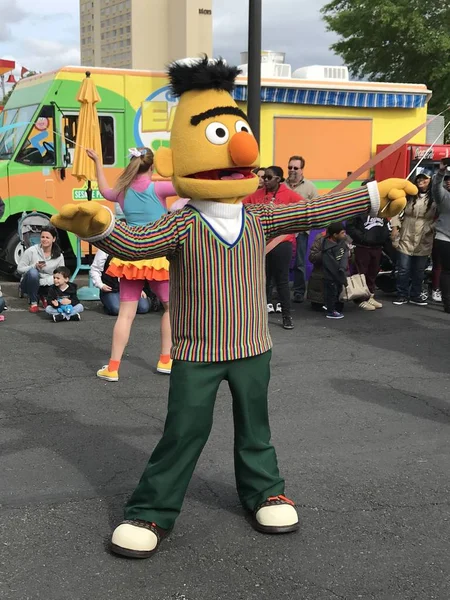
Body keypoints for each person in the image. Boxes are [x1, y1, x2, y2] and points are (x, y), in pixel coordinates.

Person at [52, 56, 414, 559]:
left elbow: (311, 209)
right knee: (183, 429)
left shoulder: (259, 217)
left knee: (256, 427)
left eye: (240, 133)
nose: (242, 148)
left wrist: (372, 195)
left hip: (252, 346)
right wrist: (103, 227)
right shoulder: (182, 224)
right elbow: (136, 243)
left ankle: (265, 490)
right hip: (197, 351)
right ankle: (152, 510)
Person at [86, 147, 175, 380]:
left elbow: (104, 190)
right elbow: (188, 187)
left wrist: (97, 161)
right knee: (170, 308)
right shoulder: (160, 187)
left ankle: (113, 367)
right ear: (152, 166)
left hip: (131, 255)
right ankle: (166, 360)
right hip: (158, 255)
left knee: (125, 314)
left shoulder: (122, 191)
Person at [245, 166, 303, 330]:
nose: (265, 180)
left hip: (282, 242)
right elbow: (240, 208)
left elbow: (305, 209)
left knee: (282, 280)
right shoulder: (256, 194)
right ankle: (261, 315)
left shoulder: (289, 194)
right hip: (261, 243)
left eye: (269, 177)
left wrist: (292, 227)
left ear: (278, 179)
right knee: (263, 280)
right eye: (263, 177)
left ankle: (286, 316)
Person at [391, 170, 436, 306]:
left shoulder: (435, 198)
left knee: (419, 270)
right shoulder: (409, 196)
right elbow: (397, 211)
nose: (421, 181)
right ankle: (401, 294)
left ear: (430, 180)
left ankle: (415, 295)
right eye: (418, 179)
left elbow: (441, 217)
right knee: (403, 268)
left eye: (424, 179)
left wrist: (430, 228)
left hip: (424, 237)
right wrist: (394, 227)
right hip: (406, 234)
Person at [285, 155, 319, 303]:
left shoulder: (310, 187)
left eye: (295, 168)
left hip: (300, 231)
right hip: (282, 231)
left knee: (299, 263)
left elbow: (316, 208)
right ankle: (280, 290)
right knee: (281, 262)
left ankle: (299, 291)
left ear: (302, 169)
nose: (292, 170)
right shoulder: (281, 185)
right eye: (290, 167)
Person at [346, 214, 391, 310]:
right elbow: (350, 227)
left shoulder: (381, 210)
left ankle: (370, 296)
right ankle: (360, 299)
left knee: (372, 273)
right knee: (360, 273)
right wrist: (362, 237)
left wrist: (383, 237)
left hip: (377, 246)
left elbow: (386, 225)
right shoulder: (359, 210)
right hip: (362, 246)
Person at [16, 225, 65, 313]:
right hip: (30, 282)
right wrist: (34, 266)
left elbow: (61, 274)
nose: (44, 239)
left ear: (53, 239)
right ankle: (34, 302)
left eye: (47, 237)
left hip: (48, 284)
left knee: (59, 281)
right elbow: (19, 269)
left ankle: (44, 295)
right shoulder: (31, 251)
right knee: (33, 272)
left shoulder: (59, 256)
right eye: (42, 237)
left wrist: (42, 282)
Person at [90, 249, 150, 316]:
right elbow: (95, 269)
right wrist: (101, 285)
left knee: (143, 308)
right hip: (111, 289)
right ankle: (109, 304)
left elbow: (135, 271)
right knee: (116, 309)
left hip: (130, 288)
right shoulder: (104, 250)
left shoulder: (131, 248)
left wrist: (139, 289)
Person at [432, 162, 450, 313]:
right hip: (444, 237)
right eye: (447, 179)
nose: (448, 181)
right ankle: (448, 303)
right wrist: (441, 172)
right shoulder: (444, 196)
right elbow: (436, 187)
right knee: (447, 271)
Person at [322, 222, 349, 319]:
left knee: (337, 292)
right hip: (331, 276)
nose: (344, 234)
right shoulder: (327, 248)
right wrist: (340, 276)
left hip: (339, 275)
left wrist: (342, 268)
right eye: (342, 233)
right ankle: (330, 311)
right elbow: (331, 265)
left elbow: (345, 255)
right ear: (334, 235)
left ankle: (333, 308)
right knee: (331, 293)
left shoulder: (342, 243)